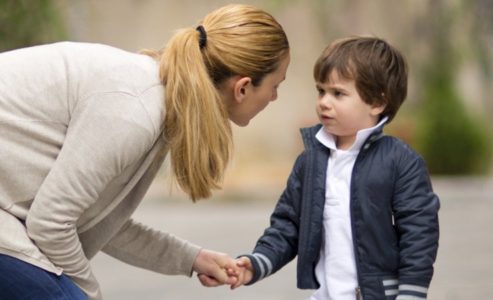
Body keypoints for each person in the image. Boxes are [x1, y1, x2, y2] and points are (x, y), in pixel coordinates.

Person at [0, 3, 289, 300]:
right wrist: (89, 293)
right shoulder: (135, 110)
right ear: (242, 87)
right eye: (275, 85)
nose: (275, 96)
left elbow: (98, 220)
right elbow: (50, 224)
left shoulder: (158, 100)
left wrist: (193, 258)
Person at [213, 36, 440, 299]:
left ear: (377, 103)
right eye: (321, 91)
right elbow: (287, 225)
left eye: (338, 93)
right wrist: (256, 263)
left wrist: (412, 292)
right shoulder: (311, 161)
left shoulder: (400, 161)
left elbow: (419, 233)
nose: (324, 102)